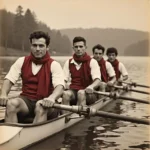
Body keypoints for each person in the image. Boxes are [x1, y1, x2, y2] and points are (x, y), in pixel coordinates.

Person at [0, 31, 65, 123]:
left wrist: (52, 98)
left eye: (41, 46)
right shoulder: (21, 61)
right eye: (34, 45)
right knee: (11, 104)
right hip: (26, 102)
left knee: (40, 105)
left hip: (47, 102)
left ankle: (35, 135)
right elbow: (9, 80)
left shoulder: (54, 65)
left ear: (47, 47)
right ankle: (12, 133)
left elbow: (60, 86)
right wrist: (3, 94)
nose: (37, 49)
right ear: (31, 46)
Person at [62, 36, 101, 110]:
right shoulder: (68, 62)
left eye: (81, 46)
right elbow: (63, 79)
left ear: (85, 47)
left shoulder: (92, 62)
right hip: (74, 91)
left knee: (81, 93)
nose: (78, 49)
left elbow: (97, 80)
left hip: (88, 93)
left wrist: (91, 86)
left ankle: (78, 115)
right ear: (73, 48)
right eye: (76, 47)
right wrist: (64, 85)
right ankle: (66, 117)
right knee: (65, 94)